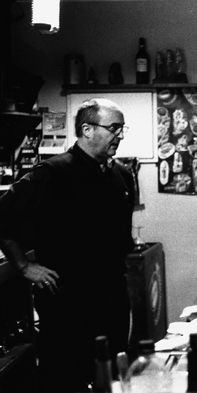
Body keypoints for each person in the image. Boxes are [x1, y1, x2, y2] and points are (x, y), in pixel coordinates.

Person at [0, 98, 135, 392]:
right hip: (67, 303)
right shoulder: (52, 173)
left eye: (122, 129)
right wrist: (24, 265)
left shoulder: (122, 176)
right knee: (67, 381)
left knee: (113, 379)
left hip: (112, 298)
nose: (120, 136)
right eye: (114, 128)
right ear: (87, 129)